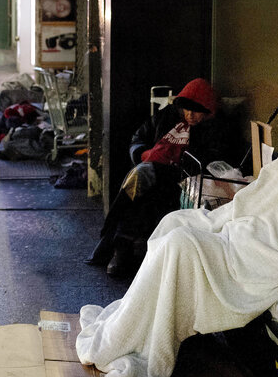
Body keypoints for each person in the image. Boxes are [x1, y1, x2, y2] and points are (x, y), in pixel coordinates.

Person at [85, 78, 230, 278]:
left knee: (138, 179)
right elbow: (139, 137)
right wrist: (143, 154)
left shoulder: (214, 128)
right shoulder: (167, 116)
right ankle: (122, 245)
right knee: (139, 181)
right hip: (152, 170)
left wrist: (163, 165)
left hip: (181, 177)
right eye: (186, 109)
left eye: (196, 111)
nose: (190, 115)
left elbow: (211, 159)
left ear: (208, 110)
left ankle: (119, 244)